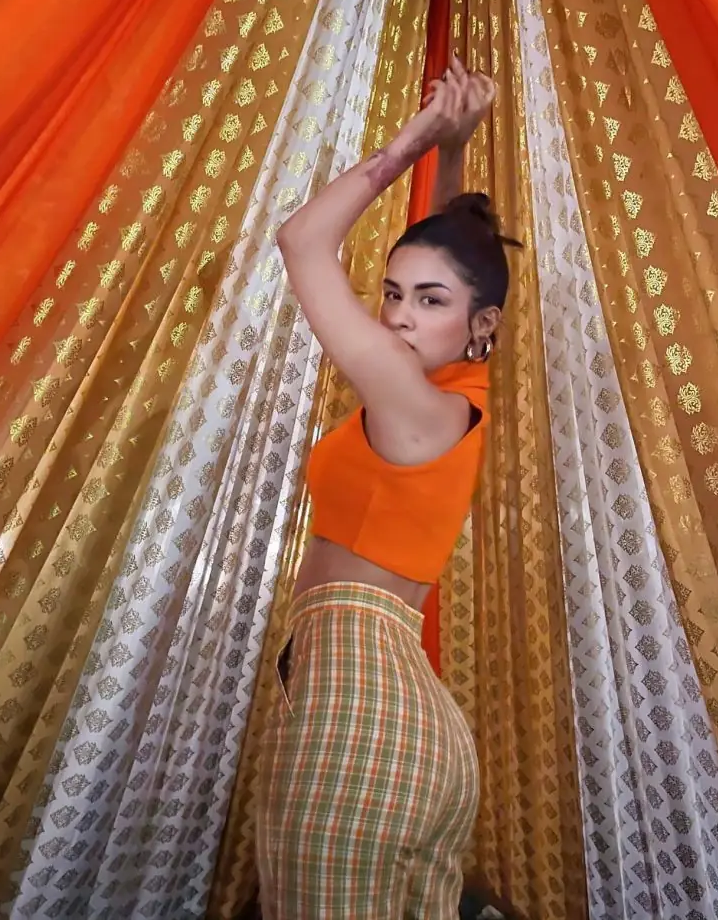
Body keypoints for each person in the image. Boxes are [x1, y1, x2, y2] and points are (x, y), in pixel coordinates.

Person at [256, 55, 520, 919]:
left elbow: (301, 241)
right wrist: (455, 153)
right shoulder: (452, 397)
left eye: (430, 301)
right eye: (391, 292)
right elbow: (451, 261)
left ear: (482, 324)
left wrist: (416, 138)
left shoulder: (416, 403)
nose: (401, 315)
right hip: (399, 725)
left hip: (360, 724)